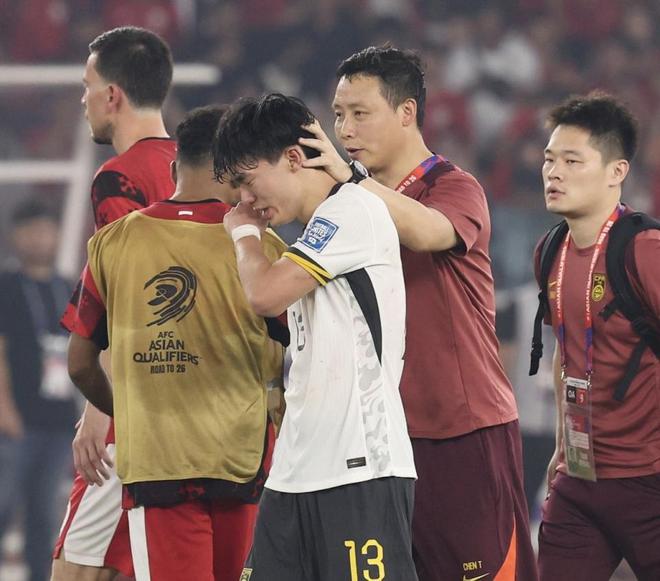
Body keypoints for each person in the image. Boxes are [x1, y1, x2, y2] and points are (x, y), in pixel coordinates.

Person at [300, 45, 537, 580]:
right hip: (381, 438)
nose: (345, 130)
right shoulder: (346, 203)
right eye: (338, 115)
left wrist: (350, 182)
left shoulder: (453, 186)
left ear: (406, 112)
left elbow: (430, 232)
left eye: (361, 113)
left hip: (460, 429)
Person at [63, 105, 286, 581]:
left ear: (172, 168)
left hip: (157, 467)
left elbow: (80, 363)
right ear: (234, 169)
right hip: (241, 463)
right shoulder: (261, 247)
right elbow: (296, 355)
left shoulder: (112, 243)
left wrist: (128, 412)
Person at [214, 93, 418, 581]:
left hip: (360, 467)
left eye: (248, 180)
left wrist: (244, 235)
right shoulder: (310, 235)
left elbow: (264, 295)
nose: (245, 201)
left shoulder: (353, 212)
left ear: (292, 157)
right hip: (295, 469)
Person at [52, 26, 176, 581]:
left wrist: (99, 413)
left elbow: (129, 303)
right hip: (205, 412)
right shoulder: (205, 170)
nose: (83, 100)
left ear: (112, 95)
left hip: (137, 409)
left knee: (75, 569)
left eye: (87, 86)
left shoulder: (120, 178)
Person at [535, 92, 660, 580]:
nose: (554, 173)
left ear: (617, 171)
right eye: (549, 160)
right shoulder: (550, 251)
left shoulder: (644, 250)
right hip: (579, 481)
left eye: (572, 161)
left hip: (649, 481)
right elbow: (566, 352)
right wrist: (562, 447)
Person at [0, 200, 78, 581]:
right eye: (30, 230)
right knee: (3, 505)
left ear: (57, 234)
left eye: (45, 230)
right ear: (15, 236)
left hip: (59, 421)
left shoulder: (68, 287)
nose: (38, 238)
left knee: (44, 517)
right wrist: (4, 408)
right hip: (16, 421)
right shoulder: (7, 286)